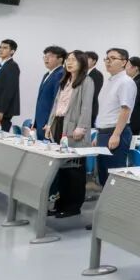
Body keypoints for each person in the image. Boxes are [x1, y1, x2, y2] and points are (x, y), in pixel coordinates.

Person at [46, 50, 93, 217]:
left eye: (73, 60)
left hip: (74, 128)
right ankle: (61, 203)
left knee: (74, 168)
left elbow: (86, 106)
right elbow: (56, 105)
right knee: (62, 168)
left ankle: (73, 206)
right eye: (68, 60)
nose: (69, 62)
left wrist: (82, 127)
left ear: (82, 62)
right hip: (59, 124)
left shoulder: (87, 81)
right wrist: (49, 124)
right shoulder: (65, 80)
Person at [93, 48, 135, 185]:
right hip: (104, 133)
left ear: (124, 62)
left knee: (113, 177)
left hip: (116, 132)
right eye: (106, 58)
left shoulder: (126, 82)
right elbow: (106, 110)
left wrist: (116, 135)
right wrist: (98, 134)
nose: (108, 61)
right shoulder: (109, 81)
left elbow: (125, 110)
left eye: (112, 58)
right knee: (103, 175)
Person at [33, 45, 66, 139]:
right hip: (41, 120)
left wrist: (50, 122)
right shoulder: (47, 74)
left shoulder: (60, 74)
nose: (46, 59)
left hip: (48, 122)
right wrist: (35, 122)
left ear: (60, 59)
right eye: (45, 56)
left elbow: (57, 100)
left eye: (50, 56)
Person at [0, 39, 20, 131]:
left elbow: (9, 90)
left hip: (2, 110)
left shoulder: (12, 66)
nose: (1, 50)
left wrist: (1, 110)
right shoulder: (2, 65)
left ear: (12, 51)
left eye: (5, 48)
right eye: (0, 47)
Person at [126, 57, 140, 135]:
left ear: (136, 68)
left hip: (134, 119)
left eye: (128, 65)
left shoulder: (139, 82)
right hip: (130, 118)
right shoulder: (133, 81)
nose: (126, 68)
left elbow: (135, 103)